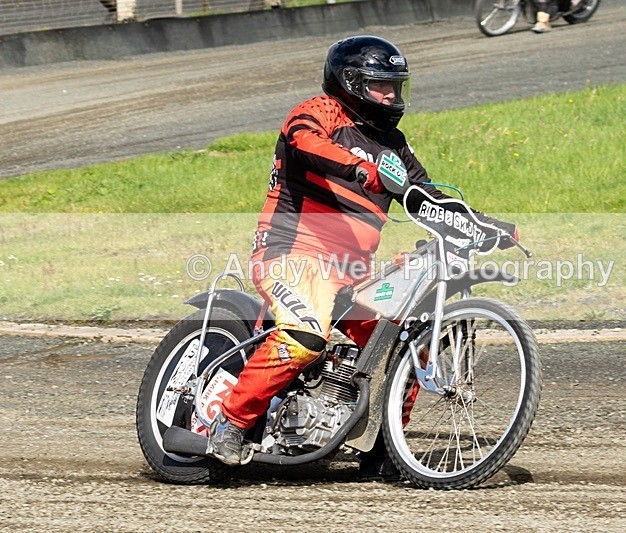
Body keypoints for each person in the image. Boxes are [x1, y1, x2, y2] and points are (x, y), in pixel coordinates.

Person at [206, 35, 518, 478]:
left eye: (397, 86)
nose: (392, 96)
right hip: (292, 253)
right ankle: (230, 425)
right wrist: (358, 168)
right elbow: (302, 140)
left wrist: (486, 225)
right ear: (351, 82)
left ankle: (390, 450)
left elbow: (425, 197)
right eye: (381, 86)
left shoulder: (395, 143)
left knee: (412, 336)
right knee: (305, 334)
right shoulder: (320, 111)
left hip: (351, 272)